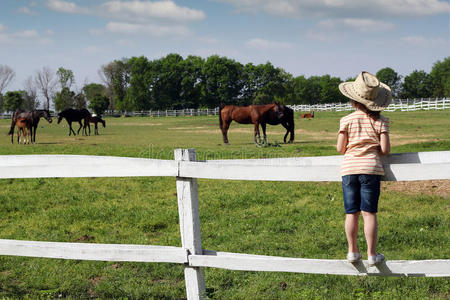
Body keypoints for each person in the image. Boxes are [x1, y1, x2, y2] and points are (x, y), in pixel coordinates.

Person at [336, 71, 391, 266]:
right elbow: (384, 150)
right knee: (369, 213)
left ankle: (352, 251)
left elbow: (340, 148)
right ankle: (372, 254)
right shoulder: (381, 121)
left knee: (351, 213)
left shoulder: (346, 120)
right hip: (371, 169)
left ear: (353, 100)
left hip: (349, 170)